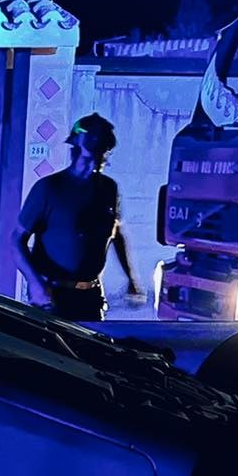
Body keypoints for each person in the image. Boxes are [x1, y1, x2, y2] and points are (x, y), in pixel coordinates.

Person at [12, 114, 142, 321]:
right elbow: (16, 240)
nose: (96, 161)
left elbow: (115, 234)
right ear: (75, 150)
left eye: (102, 154)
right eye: (90, 156)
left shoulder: (108, 189)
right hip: (53, 298)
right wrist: (35, 285)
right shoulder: (49, 189)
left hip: (91, 296)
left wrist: (131, 278)